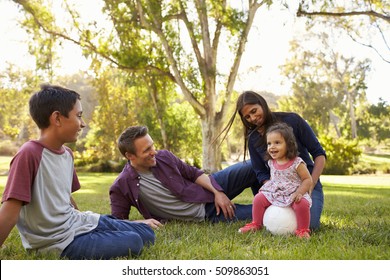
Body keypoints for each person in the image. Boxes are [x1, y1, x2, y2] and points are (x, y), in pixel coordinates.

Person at [0, 84, 156, 260]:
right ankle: (115, 228)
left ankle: (117, 226)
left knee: (147, 233)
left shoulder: (67, 154)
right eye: (79, 116)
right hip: (57, 242)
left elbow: (65, 196)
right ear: (57, 118)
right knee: (134, 241)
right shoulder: (29, 153)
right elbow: (10, 211)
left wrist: (86, 224)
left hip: (76, 223)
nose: (83, 123)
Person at [109, 125, 260, 223]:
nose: (154, 152)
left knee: (255, 164)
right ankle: (273, 206)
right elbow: (117, 222)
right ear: (130, 156)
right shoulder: (121, 185)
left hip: (210, 185)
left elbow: (194, 174)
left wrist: (217, 192)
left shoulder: (164, 157)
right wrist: (142, 222)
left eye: (152, 146)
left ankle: (272, 195)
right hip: (206, 212)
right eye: (147, 150)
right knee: (264, 213)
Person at [223, 91, 326, 230]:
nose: (253, 118)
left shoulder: (293, 120)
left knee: (311, 225)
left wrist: (310, 184)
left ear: (262, 104)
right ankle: (257, 220)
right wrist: (274, 189)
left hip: (305, 183)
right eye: (247, 116)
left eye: (254, 111)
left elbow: (319, 154)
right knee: (272, 217)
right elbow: (260, 171)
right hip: (277, 187)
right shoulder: (253, 138)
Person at [238, 123, 313, 238]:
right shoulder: (271, 162)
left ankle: (303, 230)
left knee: (301, 204)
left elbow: (308, 179)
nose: (272, 147)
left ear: (289, 145)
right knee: (258, 198)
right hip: (276, 191)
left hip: (293, 192)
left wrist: (300, 193)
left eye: (277, 143)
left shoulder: (297, 162)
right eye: (269, 143)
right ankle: (256, 224)